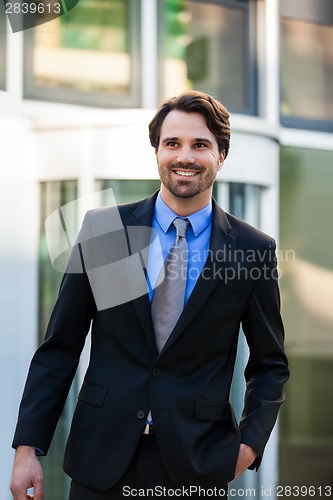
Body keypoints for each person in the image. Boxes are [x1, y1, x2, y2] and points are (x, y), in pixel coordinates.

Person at [10, 90, 289, 500]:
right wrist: (27, 448)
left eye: (201, 145)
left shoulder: (252, 249)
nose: (185, 157)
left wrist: (248, 446)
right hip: (100, 459)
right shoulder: (108, 232)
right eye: (172, 143)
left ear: (221, 155)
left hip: (197, 465)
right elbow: (60, 348)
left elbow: (270, 365)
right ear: (156, 151)